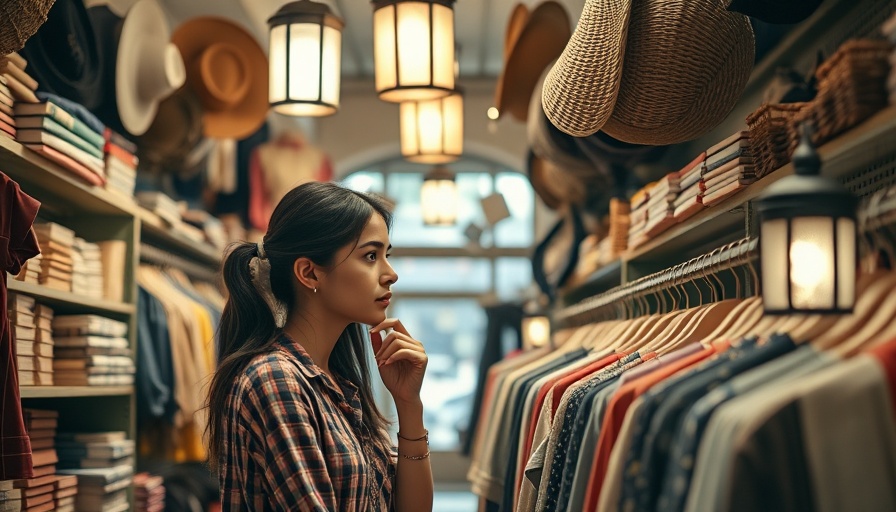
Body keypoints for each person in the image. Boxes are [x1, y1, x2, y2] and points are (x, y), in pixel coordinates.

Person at [206, 181, 433, 511]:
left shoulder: (337, 384)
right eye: (371, 256)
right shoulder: (276, 380)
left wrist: (409, 404)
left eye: (387, 255)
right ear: (309, 273)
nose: (391, 274)